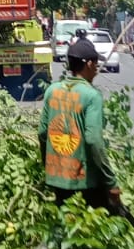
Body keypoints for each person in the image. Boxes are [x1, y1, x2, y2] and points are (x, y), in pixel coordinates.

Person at [38, 34, 121, 211]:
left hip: (56, 178)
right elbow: (93, 141)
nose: (97, 68)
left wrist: (48, 168)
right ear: (89, 64)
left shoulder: (52, 90)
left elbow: (43, 133)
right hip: (84, 181)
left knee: (64, 227)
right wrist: (110, 182)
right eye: (96, 63)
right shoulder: (91, 96)